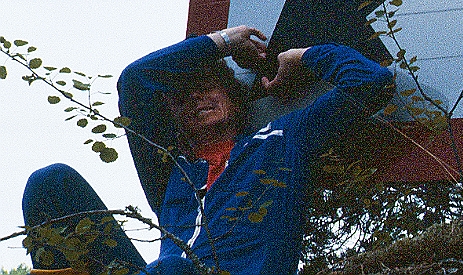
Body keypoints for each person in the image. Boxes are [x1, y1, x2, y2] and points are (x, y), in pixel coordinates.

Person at [22, 26, 394, 275]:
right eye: (181, 97)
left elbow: (371, 82)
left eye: (206, 86)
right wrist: (223, 41)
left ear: (233, 96)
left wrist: (301, 56)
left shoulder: (282, 139)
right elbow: (135, 81)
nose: (196, 97)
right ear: (172, 116)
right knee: (50, 184)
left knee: (173, 271)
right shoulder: (172, 170)